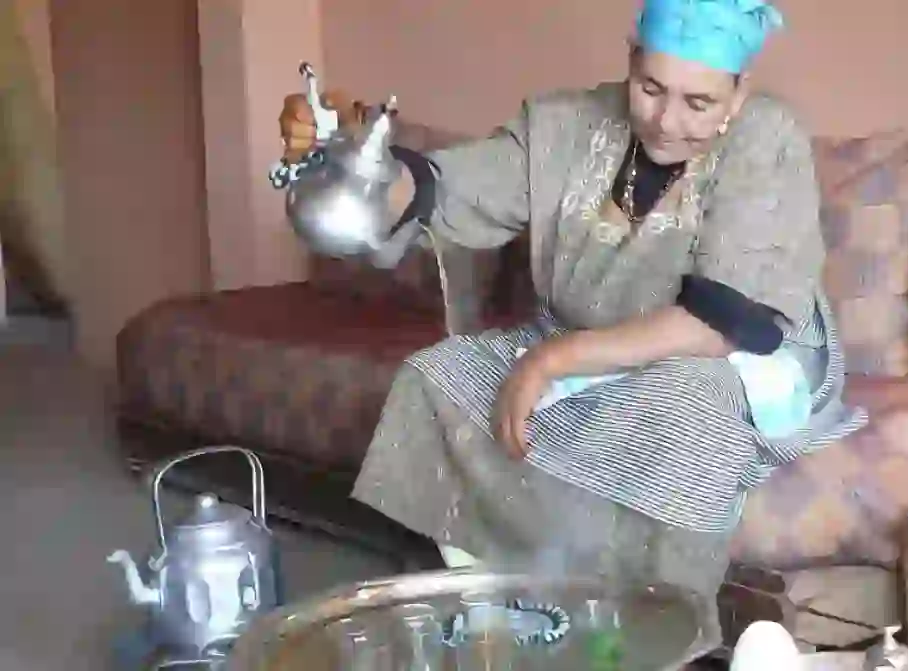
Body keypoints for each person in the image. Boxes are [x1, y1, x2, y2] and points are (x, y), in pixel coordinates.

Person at [278, 0, 866, 654]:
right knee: (436, 378)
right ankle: (506, 607)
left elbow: (726, 319)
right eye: (650, 88)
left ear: (737, 94)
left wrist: (551, 363)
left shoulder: (766, 135)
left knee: (688, 405)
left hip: (724, 354)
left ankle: (660, 639)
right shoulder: (562, 126)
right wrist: (349, 165)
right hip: (584, 335)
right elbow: (442, 191)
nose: (668, 120)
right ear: (630, 62)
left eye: (698, 103)